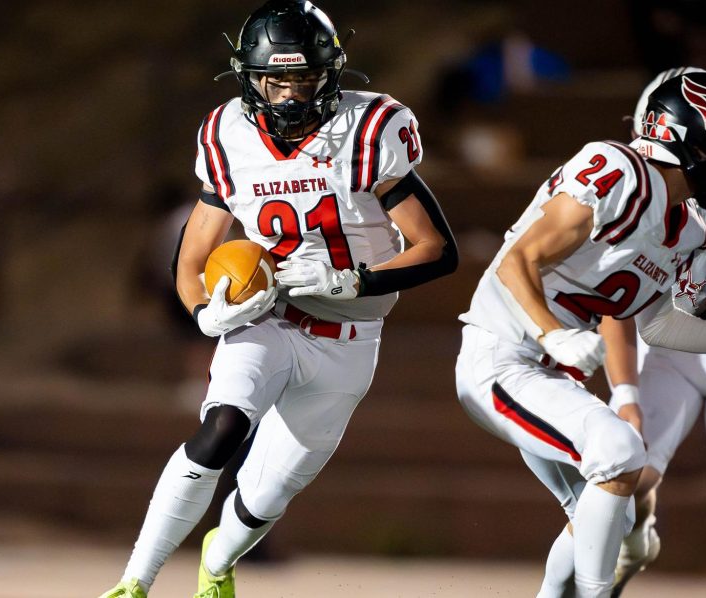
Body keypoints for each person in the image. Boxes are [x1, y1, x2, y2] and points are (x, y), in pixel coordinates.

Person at [101, 2, 459, 597]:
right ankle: (133, 582)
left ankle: (218, 561)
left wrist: (359, 281)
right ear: (250, 78)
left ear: (330, 74)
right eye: (277, 80)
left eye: (304, 80)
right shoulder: (227, 137)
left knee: (267, 496)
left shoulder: (369, 132)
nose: (291, 96)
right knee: (219, 430)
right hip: (270, 317)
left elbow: (436, 250)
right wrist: (204, 314)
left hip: (349, 343)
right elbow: (190, 261)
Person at [455, 71, 706, 597]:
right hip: (502, 354)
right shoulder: (618, 170)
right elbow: (518, 260)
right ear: (692, 142)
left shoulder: (689, 230)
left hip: (550, 376)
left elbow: (655, 323)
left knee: (609, 506)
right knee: (620, 451)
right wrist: (551, 335)